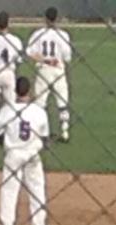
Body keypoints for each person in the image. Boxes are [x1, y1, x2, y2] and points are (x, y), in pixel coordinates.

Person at [0, 76, 50, 225]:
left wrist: (6, 143)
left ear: (15, 91)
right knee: (37, 191)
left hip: (13, 155)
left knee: (9, 191)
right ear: (29, 91)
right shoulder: (39, 111)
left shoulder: (7, 110)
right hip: (32, 154)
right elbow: (45, 137)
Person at [27, 7, 73, 142]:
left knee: (40, 103)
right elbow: (67, 57)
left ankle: (40, 133)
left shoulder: (38, 34)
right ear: (57, 18)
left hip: (44, 69)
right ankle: (65, 132)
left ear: (45, 19)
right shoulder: (63, 35)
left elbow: (29, 52)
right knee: (62, 102)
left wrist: (44, 60)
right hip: (58, 70)